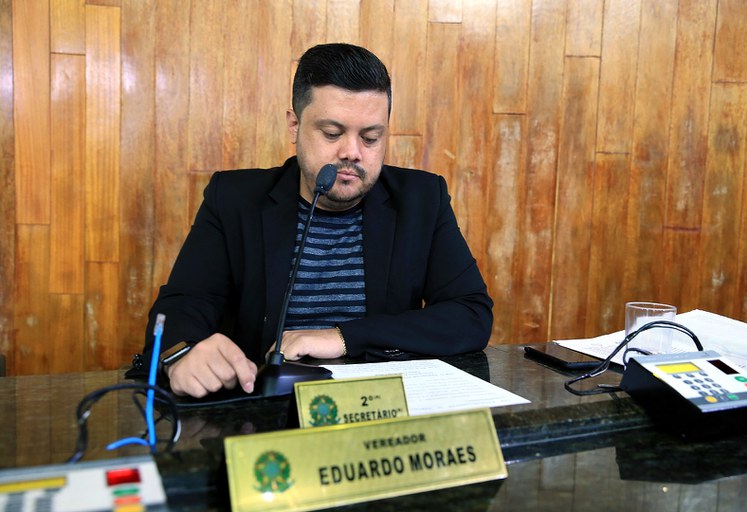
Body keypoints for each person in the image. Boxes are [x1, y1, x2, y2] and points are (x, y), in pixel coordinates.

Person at [140, 43, 493, 398]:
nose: (352, 152)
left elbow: (471, 314)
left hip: (376, 406)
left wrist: (342, 337)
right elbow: (181, 306)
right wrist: (182, 355)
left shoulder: (421, 199)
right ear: (294, 125)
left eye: (371, 138)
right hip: (266, 409)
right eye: (332, 133)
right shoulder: (234, 199)